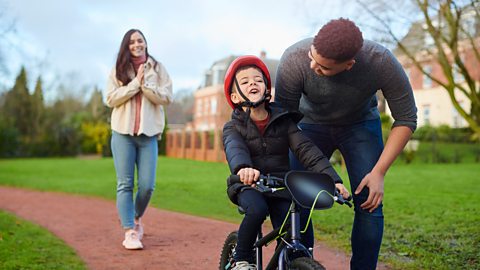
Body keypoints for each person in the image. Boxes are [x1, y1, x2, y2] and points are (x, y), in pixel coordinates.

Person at [275, 18, 417, 269]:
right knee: (294, 196)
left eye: (323, 67)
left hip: (360, 126)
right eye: (313, 57)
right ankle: (300, 262)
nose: (312, 66)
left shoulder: (380, 61)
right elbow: (284, 122)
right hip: (307, 127)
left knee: (369, 201)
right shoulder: (295, 58)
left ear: (349, 65)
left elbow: (406, 118)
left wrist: (379, 172)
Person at [222, 55, 349, 270]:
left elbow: (307, 150)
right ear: (234, 96)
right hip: (248, 184)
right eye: (245, 81)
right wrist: (244, 168)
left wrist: (332, 180)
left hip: (281, 186)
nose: (253, 83)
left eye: (258, 80)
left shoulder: (284, 121)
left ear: (267, 90)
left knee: (293, 230)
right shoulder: (233, 127)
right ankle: (240, 258)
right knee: (256, 210)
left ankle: (295, 263)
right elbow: (235, 149)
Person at [106, 29, 172, 250]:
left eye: (140, 40)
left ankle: (132, 216)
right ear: (127, 45)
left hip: (149, 135)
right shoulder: (118, 69)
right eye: (132, 41)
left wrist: (145, 85)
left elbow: (167, 97)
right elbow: (110, 99)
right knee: (125, 184)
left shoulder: (157, 68)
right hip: (122, 134)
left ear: (145, 43)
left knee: (147, 186)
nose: (137, 44)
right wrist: (135, 83)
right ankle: (130, 231)